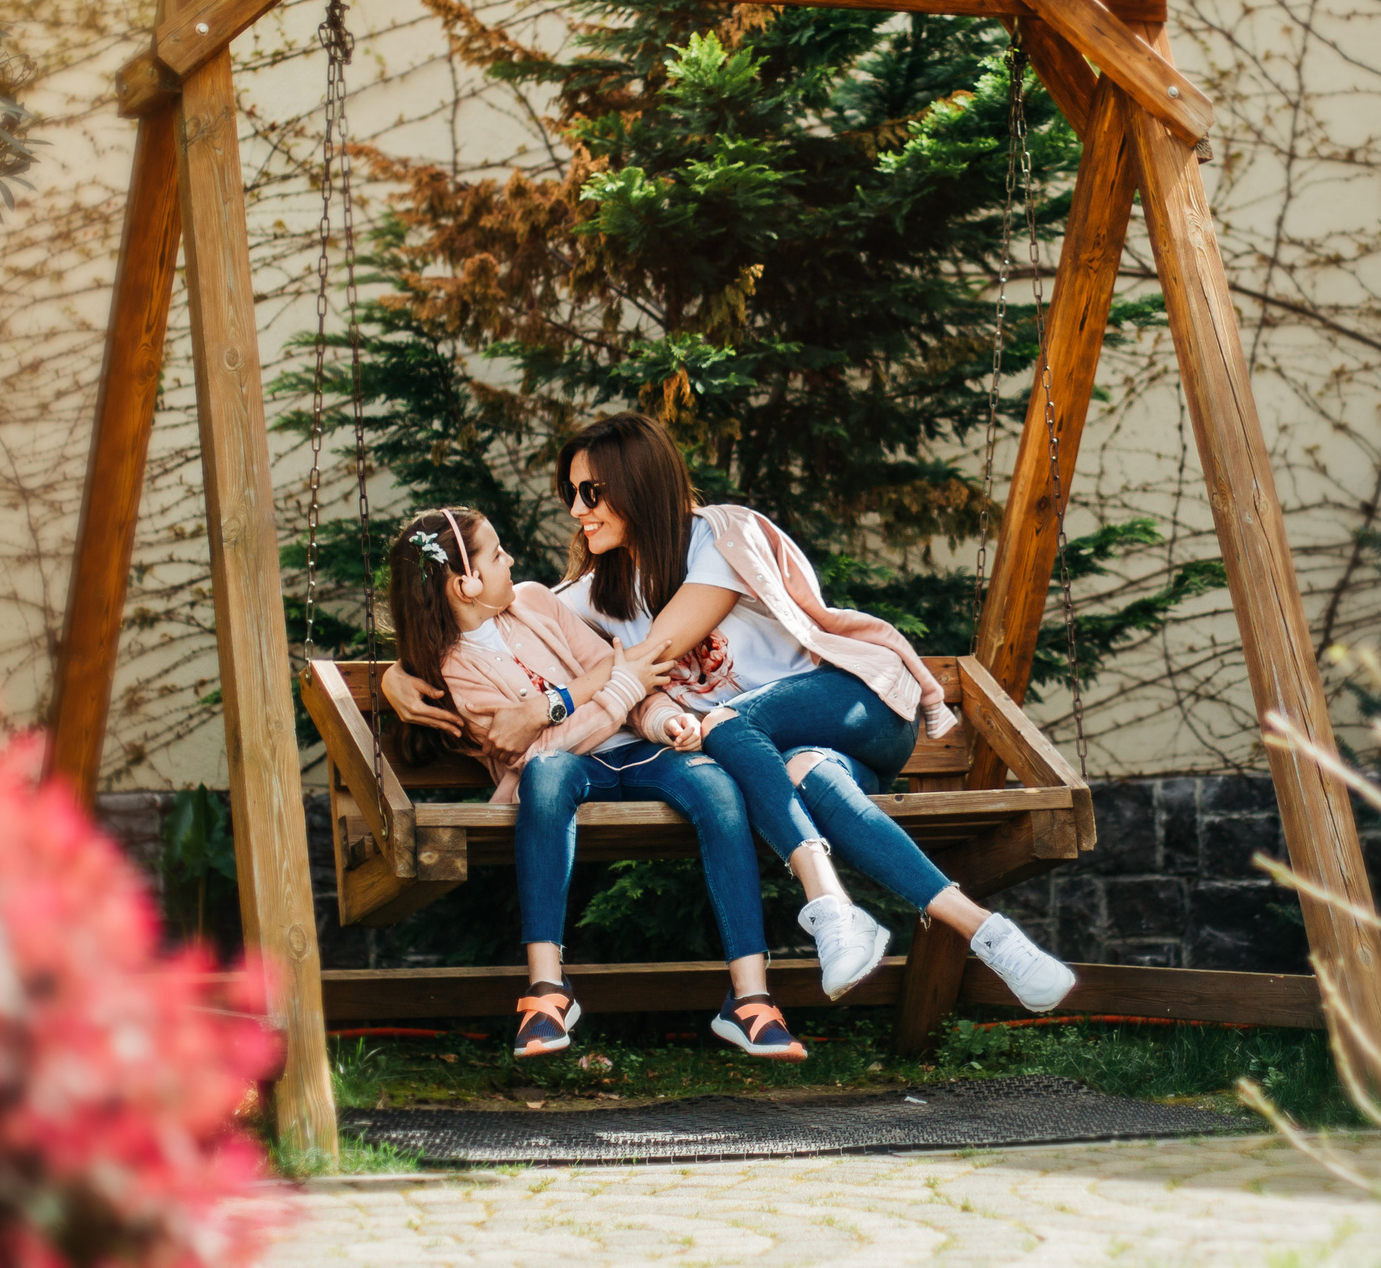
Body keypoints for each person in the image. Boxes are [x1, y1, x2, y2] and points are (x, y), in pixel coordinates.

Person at [386, 415, 1076, 1014]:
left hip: (858, 702)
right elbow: (483, 612)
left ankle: (829, 906)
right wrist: (398, 673)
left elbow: (653, 650)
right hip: (779, 755)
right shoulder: (596, 593)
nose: (576, 509)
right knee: (810, 780)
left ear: (636, 485)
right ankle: (991, 935)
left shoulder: (719, 535)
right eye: (570, 493)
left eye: (590, 492)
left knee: (723, 725)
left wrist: (561, 699)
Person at [384, 504, 811, 1061]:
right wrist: (618, 689)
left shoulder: (536, 602)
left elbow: (619, 666)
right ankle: (546, 992)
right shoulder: (451, 670)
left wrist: (666, 720)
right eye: (496, 554)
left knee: (718, 789)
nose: (510, 560)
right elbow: (536, 749)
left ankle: (750, 999)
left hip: (639, 751)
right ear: (466, 584)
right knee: (545, 774)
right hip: (565, 770)